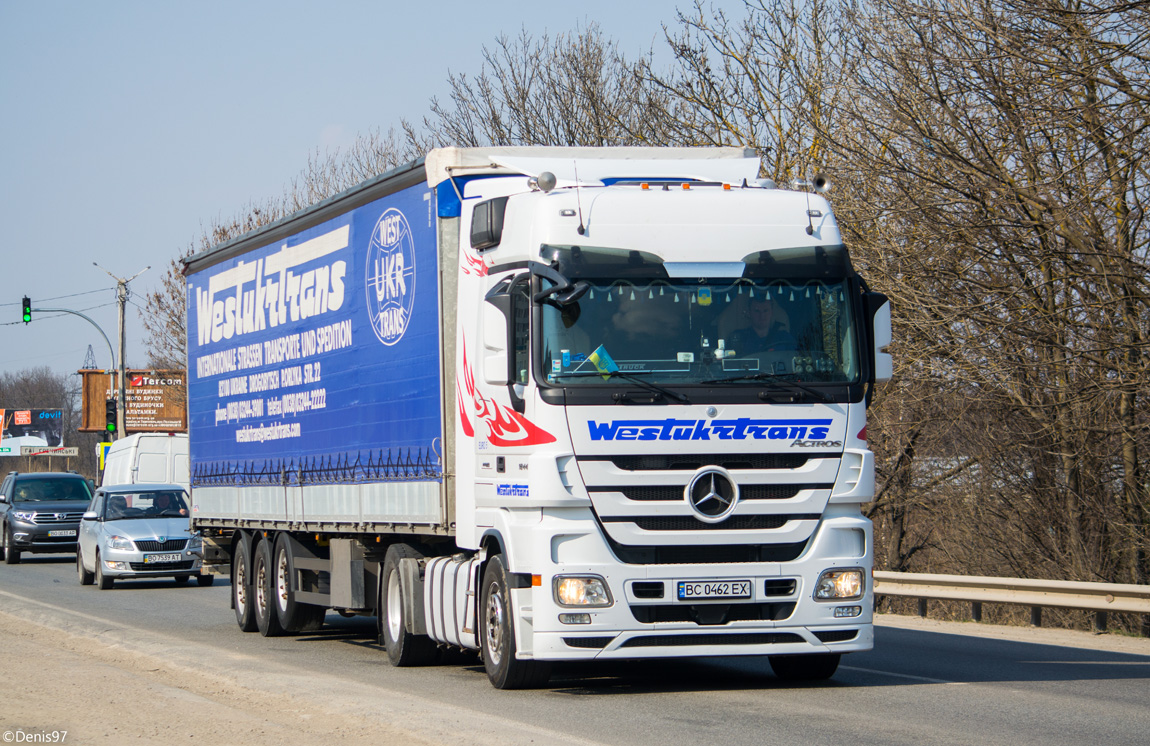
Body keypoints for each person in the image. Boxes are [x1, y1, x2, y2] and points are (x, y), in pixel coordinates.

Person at [727, 296, 797, 354]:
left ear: (771, 312)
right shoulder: (738, 338)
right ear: (749, 312)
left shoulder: (784, 339)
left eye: (765, 311)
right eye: (757, 311)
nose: (762, 315)